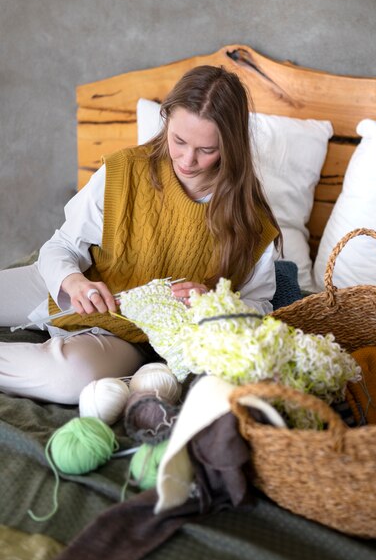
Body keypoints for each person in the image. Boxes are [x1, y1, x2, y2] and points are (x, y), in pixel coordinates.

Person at [0, 65, 281, 404]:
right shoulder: (124, 171)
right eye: (178, 141)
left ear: (232, 146)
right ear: (166, 120)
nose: (188, 160)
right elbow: (61, 246)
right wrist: (73, 282)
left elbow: (260, 308)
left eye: (207, 150)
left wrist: (214, 303)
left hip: (130, 337)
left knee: (67, 378)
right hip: (73, 284)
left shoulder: (252, 222)